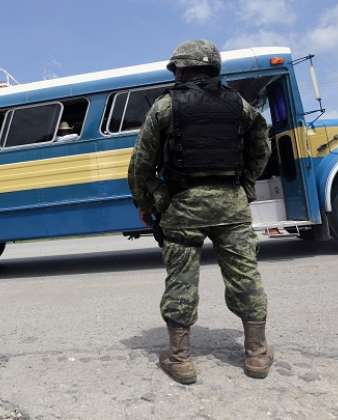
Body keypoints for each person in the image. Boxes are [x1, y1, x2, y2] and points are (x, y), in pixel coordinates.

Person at [128, 40, 272, 384]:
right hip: (231, 204)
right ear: (214, 68)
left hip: (182, 205)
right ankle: (255, 354)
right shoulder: (239, 104)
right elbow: (261, 146)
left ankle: (180, 360)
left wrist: (146, 204)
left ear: (180, 69)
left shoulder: (164, 107)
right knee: (245, 276)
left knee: (180, 280)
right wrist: (246, 185)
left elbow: (141, 163)